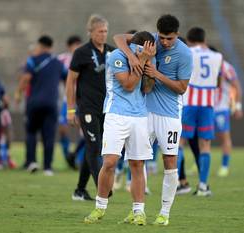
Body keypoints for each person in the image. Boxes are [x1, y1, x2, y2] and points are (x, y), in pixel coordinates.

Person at [114, 14, 193, 226]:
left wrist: (157, 74)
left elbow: (182, 88)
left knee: (169, 161)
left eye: (170, 38)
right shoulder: (151, 41)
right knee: (136, 160)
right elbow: (119, 38)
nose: (165, 42)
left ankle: (164, 213)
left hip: (169, 115)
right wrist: (132, 56)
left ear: (177, 35)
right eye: (162, 38)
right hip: (144, 112)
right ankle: (137, 210)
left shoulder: (185, 54)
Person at [84, 31, 155, 225]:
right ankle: (100, 207)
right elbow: (129, 85)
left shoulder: (147, 57)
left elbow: (147, 88)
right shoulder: (117, 56)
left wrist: (147, 63)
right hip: (116, 114)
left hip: (140, 117)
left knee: (138, 164)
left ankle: (139, 211)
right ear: (136, 47)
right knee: (110, 162)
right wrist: (140, 60)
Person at [66, 14, 115, 200]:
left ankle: (79, 190)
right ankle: (103, 189)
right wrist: (71, 109)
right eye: (100, 31)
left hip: (107, 109)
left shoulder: (111, 51)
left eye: (105, 31)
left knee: (93, 148)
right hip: (87, 108)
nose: (103, 35)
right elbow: (70, 81)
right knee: (94, 148)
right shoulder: (82, 52)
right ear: (91, 32)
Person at [178, 27, 223, 197]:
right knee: (205, 147)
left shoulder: (188, 52)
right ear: (204, 39)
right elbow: (218, 82)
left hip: (189, 103)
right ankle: (203, 186)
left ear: (189, 40)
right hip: (207, 106)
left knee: (179, 143)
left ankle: (177, 182)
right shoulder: (217, 56)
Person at [16, 35, 67, 176]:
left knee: (31, 131)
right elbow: (66, 79)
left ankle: (32, 162)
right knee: (49, 135)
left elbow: (26, 78)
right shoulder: (58, 62)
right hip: (52, 103)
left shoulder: (32, 60)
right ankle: (48, 167)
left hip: (34, 102)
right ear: (51, 47)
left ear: (41, 46)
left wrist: (18, 94)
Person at [213, 54, 243, 177]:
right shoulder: (206, 63)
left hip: (221, 108)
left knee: (224, 137)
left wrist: (238, 106)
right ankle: (198, 164)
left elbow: (237, 86)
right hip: (206, 107)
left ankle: (224, 166)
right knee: (201, 137)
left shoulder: (226, 67)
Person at [57, 35, 83, 168]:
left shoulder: (86, 57)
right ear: (69, 46)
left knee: (84, 129)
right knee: (62, 128)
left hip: (83, 99)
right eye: (74, 44)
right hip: (67, 99)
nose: (77, 47)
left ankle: (78, 158)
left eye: (79, 44)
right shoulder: (61, 59)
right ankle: (67, 154)